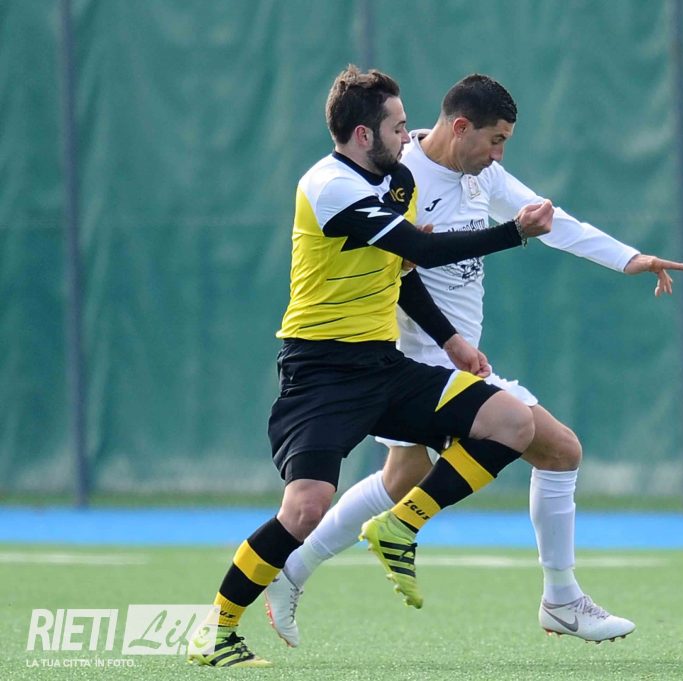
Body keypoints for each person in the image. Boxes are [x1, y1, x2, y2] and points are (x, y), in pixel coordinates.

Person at [265, 74, 683, 646]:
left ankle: (294, 569)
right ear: (460, 127)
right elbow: (404, 265)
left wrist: (628, 258)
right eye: (495, 141)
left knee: (403, 475)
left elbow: (548, 220)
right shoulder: (398, 175)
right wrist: (447, 339)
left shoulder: (480, 174)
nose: (499, 155)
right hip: (413, 359)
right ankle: (561, 599)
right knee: (558, 450)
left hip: (448, 356)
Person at [186, 65, 554, 668]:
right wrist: (514, 232)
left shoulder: (399, 181)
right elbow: (422, 250)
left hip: (385, 365)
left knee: (512, 422)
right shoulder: (329, 185)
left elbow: (401, 272)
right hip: (321, 373)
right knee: (305, 509)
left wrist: (451, 341)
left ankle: (400, 526)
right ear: (364, 135)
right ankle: (216, 629)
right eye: (399, 126)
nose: (409, 136)